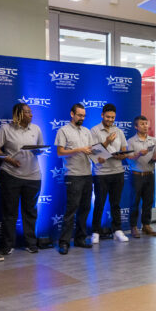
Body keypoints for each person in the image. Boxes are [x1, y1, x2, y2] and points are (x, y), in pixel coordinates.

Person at [0, 103, 44, 255]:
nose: (31, 114)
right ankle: (7, 245)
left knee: (30, 212)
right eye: (27, 112)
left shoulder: (36, 129)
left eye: (31, 112)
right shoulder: (6, 129)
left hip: (33, 176)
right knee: (10, 212)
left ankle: (31, 243)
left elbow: (40, 148)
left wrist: (38, 151)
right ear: (18, 114)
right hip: (11, 175)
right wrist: (9, 159)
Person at [55, 103, 94, 255]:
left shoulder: (86, 131)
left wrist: (99, 156)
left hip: (87, 174)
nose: (82, 118)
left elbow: (90, 151)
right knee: (71, 210)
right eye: (79, 115)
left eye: (84, 116)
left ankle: (80, 238)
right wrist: (79, 149)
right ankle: (64, 242)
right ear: (72, 114)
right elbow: (60, 152)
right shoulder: (63, 130)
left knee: (85, 209)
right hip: (73, 174)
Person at [90, 103, 129, 244]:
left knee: (116, 203)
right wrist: (107, 141)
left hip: (118, 171)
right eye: (108, 117)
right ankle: (95, 231)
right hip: (101, 173)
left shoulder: (119, 131)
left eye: (113, 117)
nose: (110, 119)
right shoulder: (94, 131)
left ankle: (117, 230)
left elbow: (124, 149)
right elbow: (94, 152)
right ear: (102, 115)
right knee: (99, 203)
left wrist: (122, 155)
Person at [127, 115, 156, 238]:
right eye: (142, 124)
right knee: (134, 201)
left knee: (148, 201)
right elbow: (129, 159)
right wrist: (139, 154)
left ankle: (146, 225)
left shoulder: (153, 140)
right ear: (136, 126)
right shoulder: (131, 141)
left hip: (150, 174)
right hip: (136, 175)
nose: (145, 126)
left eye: (146, 123)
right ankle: (134, 226)